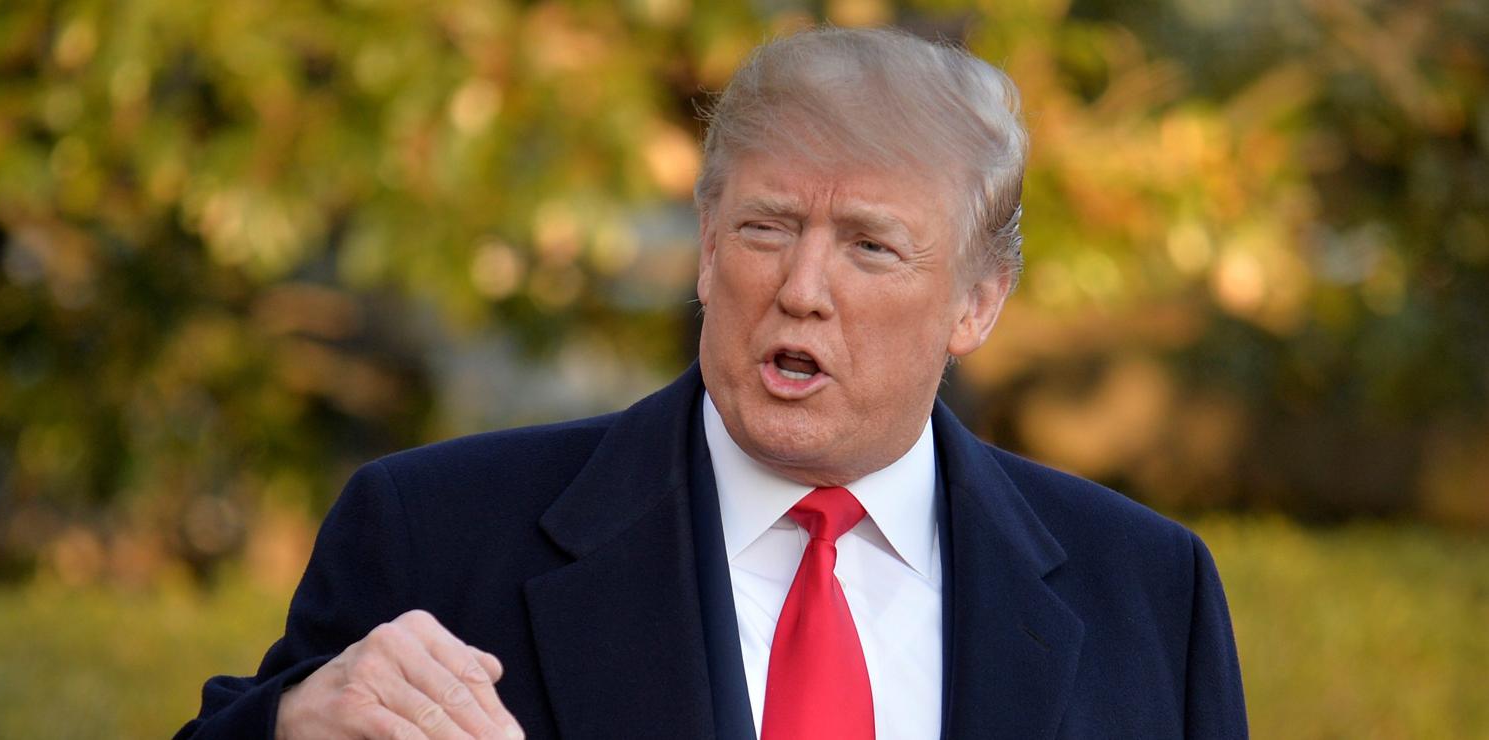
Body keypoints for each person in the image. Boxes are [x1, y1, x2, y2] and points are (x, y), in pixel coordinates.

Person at [178, 26, 1246, 740]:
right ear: (703, 247)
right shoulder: (436, 531)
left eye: (870, 246)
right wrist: (297, 719)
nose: (801, 286)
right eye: (765, 227)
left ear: (978, 302)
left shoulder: (1150, 591)